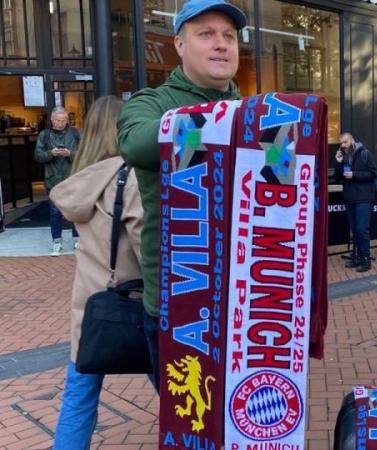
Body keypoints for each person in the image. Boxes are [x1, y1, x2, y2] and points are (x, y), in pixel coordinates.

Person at [118, 0, 247, 386]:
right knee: (193, 420)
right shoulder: (153, 102)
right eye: (205, 34)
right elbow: (136, 144)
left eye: (229, 36)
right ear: (179, 45)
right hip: (181, 304)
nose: (220, 44)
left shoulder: (254, 110)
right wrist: (224, 118)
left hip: (246, 298)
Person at [51, 96, 144, 450]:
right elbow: (145, 249)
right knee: (175, 388)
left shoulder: (81, 176)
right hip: (131, 301)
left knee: (79, 395)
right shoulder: (129, 178)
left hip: (88, 306)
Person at [34, 106, 80, 256]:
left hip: (72, 177)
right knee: (55, 212)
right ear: (52, 120)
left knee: (75, 210)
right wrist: (50, 153)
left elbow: (85, 154)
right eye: (58, 121)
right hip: (52, 179)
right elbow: (38, 156)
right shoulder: (44, 135)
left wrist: (70, 154)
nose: (60, 123)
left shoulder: (75, 133)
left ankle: (77, 239)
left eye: (64, 120)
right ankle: (57, 242)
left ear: (67, 120)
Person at [334, 133, 377, 272]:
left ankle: (365, 260)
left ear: (352, 140)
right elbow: (337, 178)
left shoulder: (364, 153)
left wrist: (355, 175)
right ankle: (357, 257)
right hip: (349, 197)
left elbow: (373, 173)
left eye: (346, 142)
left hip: (364, 197)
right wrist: (338, 163)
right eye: (341, 143)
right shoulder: (343, 155)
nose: (343, 145)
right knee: (354, 230)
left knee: (361, 229)